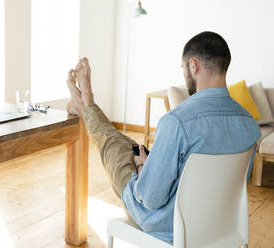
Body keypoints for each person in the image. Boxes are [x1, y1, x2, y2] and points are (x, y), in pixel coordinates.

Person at [65, 31, 261, 245]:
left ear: (193, 66)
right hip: (219, 224)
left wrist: (142, 169)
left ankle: (86, 104)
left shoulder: (177, 122)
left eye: (184, 68)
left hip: (168, 226)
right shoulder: (250, 125)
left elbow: (149, 198)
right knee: (132, 146)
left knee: (114, 144)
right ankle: (85, 105)